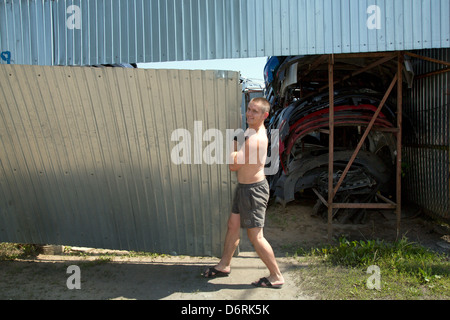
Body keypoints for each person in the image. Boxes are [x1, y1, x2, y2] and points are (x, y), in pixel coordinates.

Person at [203, 97, 285, 289]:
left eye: (255, 111)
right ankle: (224, 265)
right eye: (248, 109)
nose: (249, 114)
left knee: (256, 236)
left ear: (264, 115)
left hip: (253, 192)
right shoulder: (251, 130)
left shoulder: (254, 139)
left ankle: (276, 276)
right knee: (233, 225)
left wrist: (234, 144)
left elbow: (233, 164)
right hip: (244, 188)